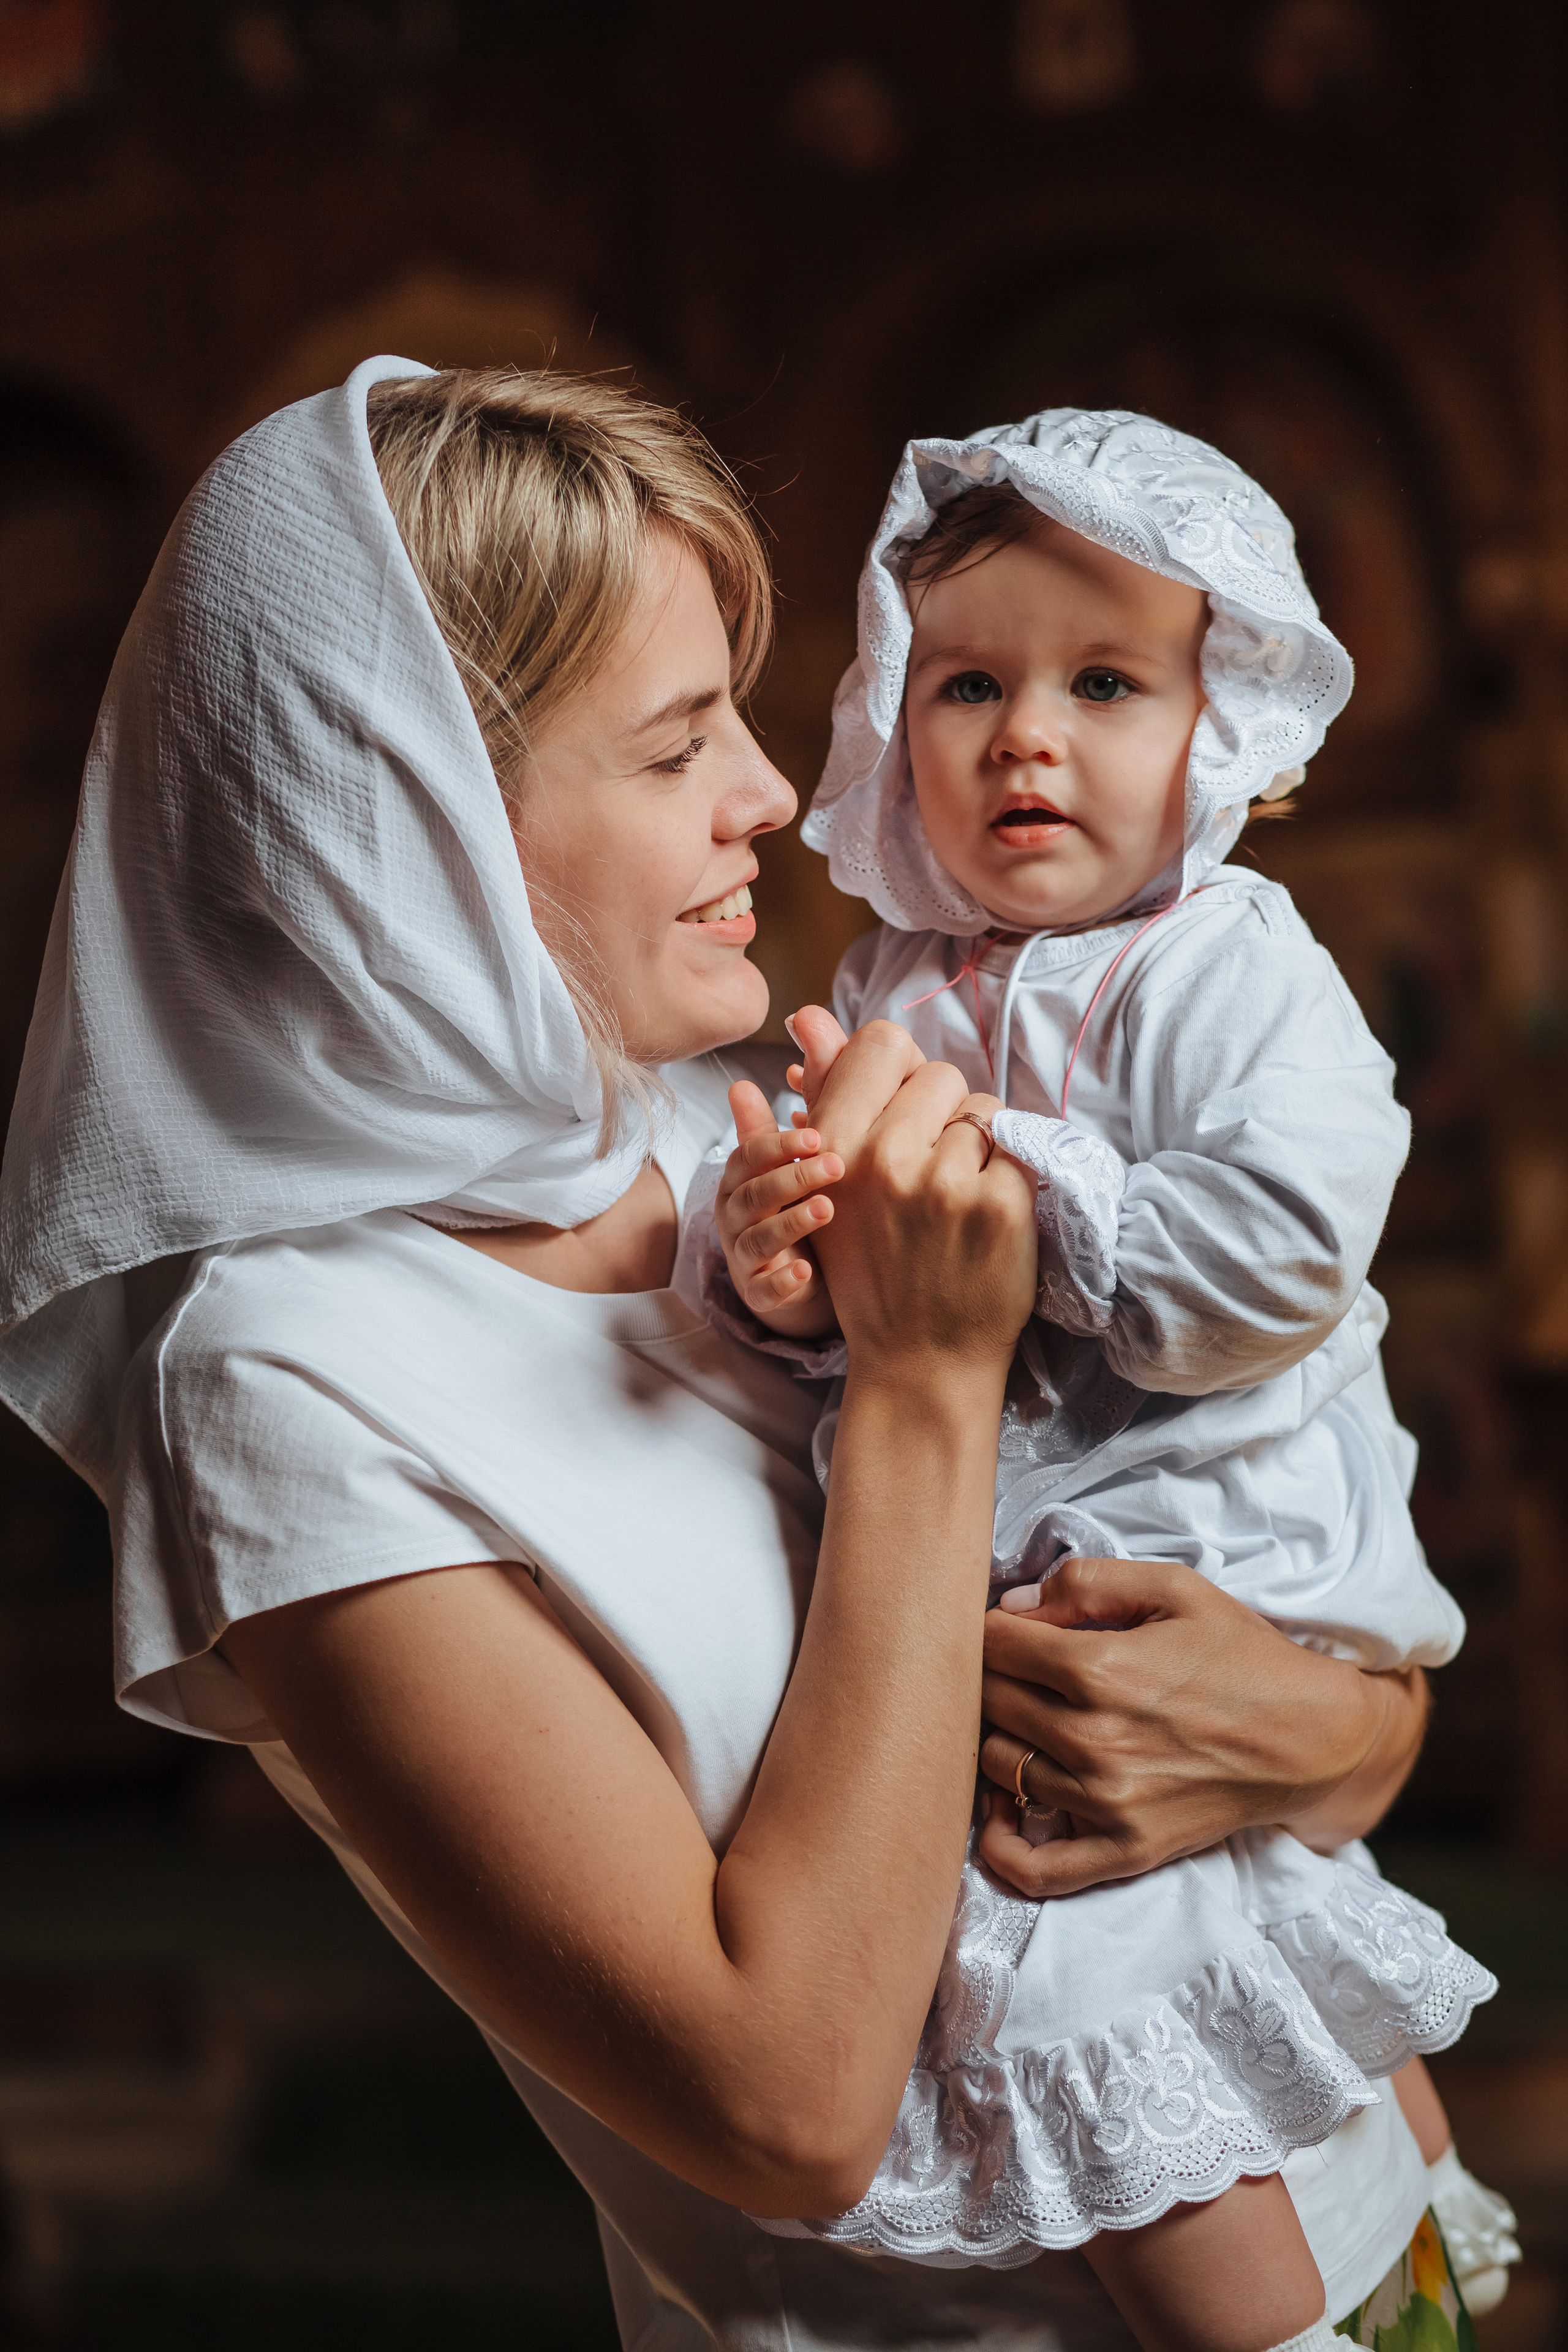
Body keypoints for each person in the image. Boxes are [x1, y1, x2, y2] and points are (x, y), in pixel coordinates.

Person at [0, 363, 1449, 2352]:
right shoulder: (282, 1385)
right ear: (408, 821)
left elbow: (1300, 1678)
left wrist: (1323, 1729)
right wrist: (934, 1387)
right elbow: (786, 2103)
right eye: (681, 742)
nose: (776, 793)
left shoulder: (718, 1126)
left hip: (1380, 2211)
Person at [699, 408, 1520, 2348]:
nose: (1026, 736)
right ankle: (1424, 2293)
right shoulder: (897, 976)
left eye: (1105, 683)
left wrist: (1010, 1175)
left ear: (1217, 729)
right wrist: (780, 1265)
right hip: (1021, 1608)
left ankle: (1339, 2317)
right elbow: (858, 1306)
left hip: (1222, 1550)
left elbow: (1275, 1258)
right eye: (968, 681)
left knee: (1119, 2008)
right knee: (1255, 1964)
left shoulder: (1237, 963)